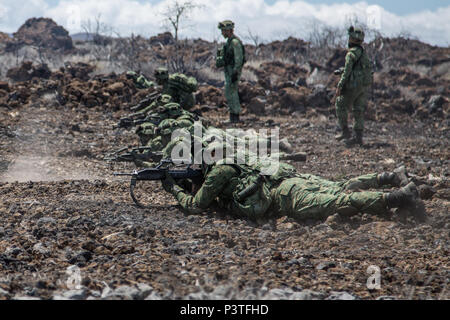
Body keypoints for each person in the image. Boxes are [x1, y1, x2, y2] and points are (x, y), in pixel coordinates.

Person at [161, 152, 421, 222]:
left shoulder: (218, 173)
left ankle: (398, 196)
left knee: (337, 202)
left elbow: (196, 206)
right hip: (293, 180)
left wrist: (174, 189)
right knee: (340, 186)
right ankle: (391, 176)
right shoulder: (233, 159)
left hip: (286, 195)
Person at [334, 26, 373, 146]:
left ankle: (345, 132)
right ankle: (358, 137)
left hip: (353, 85)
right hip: (363, 86)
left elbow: (347, 72)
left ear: (351, 39)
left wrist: (340, 86)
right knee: (358, 110)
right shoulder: (363, 53)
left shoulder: (350, 54)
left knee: (340, 104)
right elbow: (360, 68)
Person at [216, 20, 245, 124]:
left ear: (228, 30)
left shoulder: (235, 42)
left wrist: (235, 72)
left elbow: (239, 59)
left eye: (223, 31)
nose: (222, 33)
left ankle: (235, 117)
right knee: (229, 92)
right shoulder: (229, 42)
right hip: (229, 70)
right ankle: (232, 117)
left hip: (233, 71)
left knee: (232, 92)